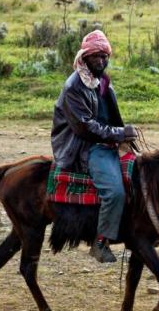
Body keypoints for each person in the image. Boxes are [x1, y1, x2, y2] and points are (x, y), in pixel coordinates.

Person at [51, 30, 138, 263]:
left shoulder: (101, 81)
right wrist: (120, 133)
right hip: (84, 147)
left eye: (104, 56)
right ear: (85, 57)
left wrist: (125, 137)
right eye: (96, 57)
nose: (101, 61)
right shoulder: (74, 87)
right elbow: (85, 129)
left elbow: (108, 118)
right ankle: (100, 242)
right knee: (115, 192)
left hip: (105, 141)